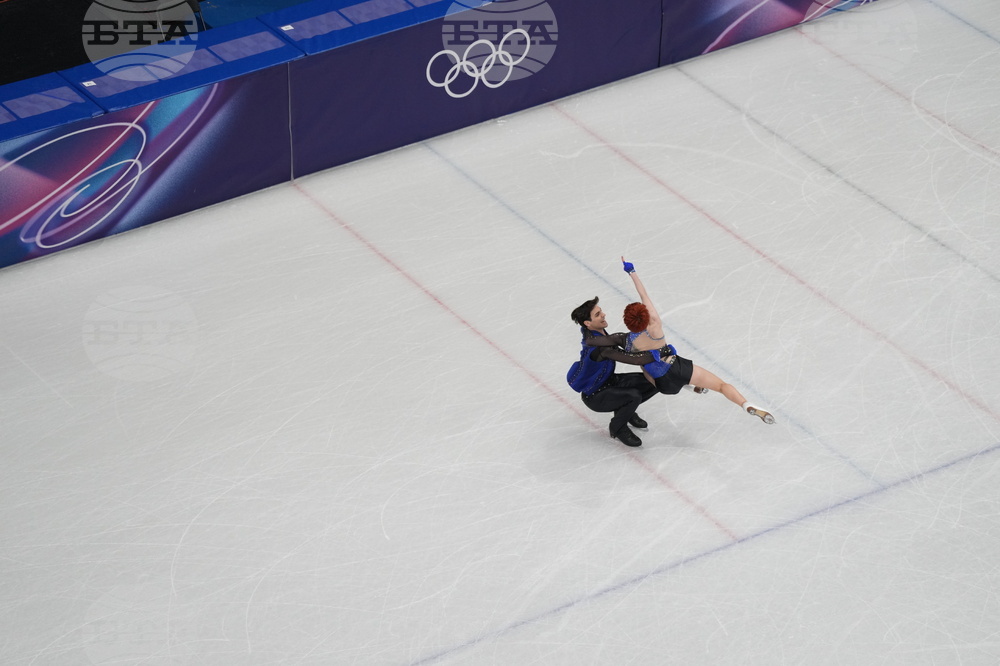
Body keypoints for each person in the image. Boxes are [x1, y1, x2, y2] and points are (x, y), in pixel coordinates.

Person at [587, 258, 775, 425]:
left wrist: (589, 333)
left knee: (648, 365)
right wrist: (632, 272)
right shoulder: (654, 325)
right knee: (720, 385)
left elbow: (599, 342)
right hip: (677, 368)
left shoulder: (626, 340)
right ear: (645, 315)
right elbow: (644, 295)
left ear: (627, 321)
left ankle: (687, 385)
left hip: (661, 385)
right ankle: (746, 404)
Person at [568, 296, 660, 447]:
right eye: (597, 314)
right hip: (595, 395)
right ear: (587, 323)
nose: (603, 314)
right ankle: (617, 427)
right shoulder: (600, 346)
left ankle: (626, 411)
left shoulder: (597, 331)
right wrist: (658, 352)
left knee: (652, 382)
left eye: (600, 311)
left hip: (609, 381)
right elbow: (635, 360)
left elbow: (621, 340)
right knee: (634, 396)